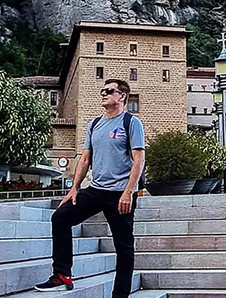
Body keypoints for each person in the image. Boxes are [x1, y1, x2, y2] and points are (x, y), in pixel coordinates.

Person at [36, 79, 145, 298]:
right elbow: (85, 159)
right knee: (60, 218)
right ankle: (62, 274)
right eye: (102, 91)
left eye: (109, 91)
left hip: (119, 194)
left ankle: (120, 295)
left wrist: (128, 192)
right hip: (95, 190)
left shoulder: (131, 123)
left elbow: (138, 160)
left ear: (122, 96)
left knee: (123, 247)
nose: (103, 94)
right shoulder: (94, 124)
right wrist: (74, 188)